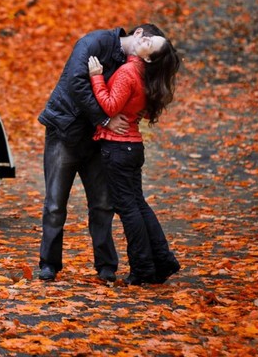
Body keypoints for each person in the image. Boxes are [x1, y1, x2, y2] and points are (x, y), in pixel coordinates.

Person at [37, 25, 166, 282]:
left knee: (103, 204)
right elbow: (76, 82)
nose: (145, 54)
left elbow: (134, 95)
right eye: (148, 43)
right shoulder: (94, 43)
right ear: (138, 33)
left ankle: (106, 265)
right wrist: (104, 120)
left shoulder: (133, 64)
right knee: (54, 204)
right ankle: (49, 264)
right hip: (65, 130)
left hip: (99, 142)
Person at [88, 23, 182, 285]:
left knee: (129, 209)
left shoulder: (129, 72)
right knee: (137, 204)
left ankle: (143, 269)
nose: (144, 40)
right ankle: (162, 261)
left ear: (149, 56)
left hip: (118, 148)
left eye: (149, 43)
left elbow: (109, 106)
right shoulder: (144, 74)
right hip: (132, 147)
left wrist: (96, 77)